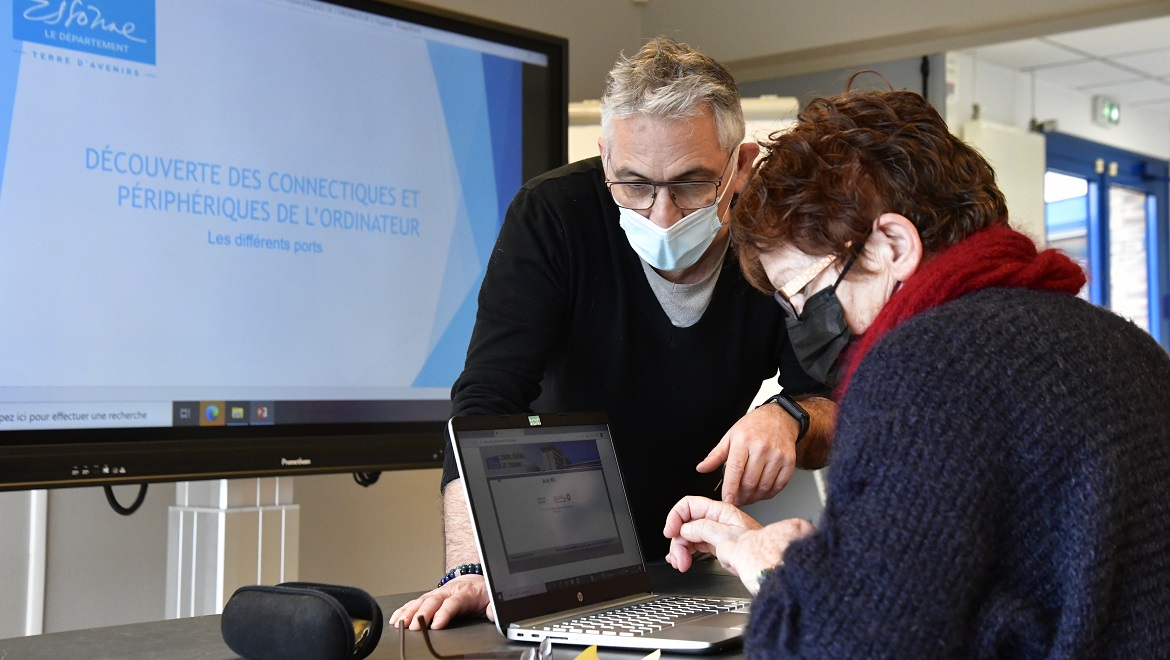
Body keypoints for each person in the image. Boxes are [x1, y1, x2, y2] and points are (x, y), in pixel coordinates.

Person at [664, 84, 1170, 656]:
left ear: (892, 245)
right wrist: (788, 557)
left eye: (804, 291)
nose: (803, 322)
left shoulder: (923, 370)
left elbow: (844, 648)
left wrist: (772, 575)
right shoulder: (1122, 345)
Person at [389, 37, 836, 631]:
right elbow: (485, 402)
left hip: (691, 555)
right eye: (634, 184)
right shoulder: (554, 216)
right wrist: (472, 567)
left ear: (742, 164)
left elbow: (833, 400)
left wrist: (788, 418)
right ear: (605, 161)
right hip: (553, 550)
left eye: (692, 183)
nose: (662, 214)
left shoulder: (774, 237)